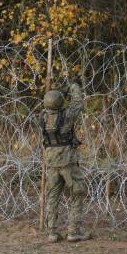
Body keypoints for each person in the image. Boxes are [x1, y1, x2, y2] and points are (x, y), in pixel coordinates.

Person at [40, 78, 91, 243]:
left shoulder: (42, 116)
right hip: (67, 161)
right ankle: (73, 231)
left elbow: (53, 104)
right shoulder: (67, 115)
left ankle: (52, 233)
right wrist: (75, 87)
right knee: (78, 191)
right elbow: (78, 103)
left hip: (51, 161)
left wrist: (60, 95)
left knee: (53, 196)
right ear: (60, 103)